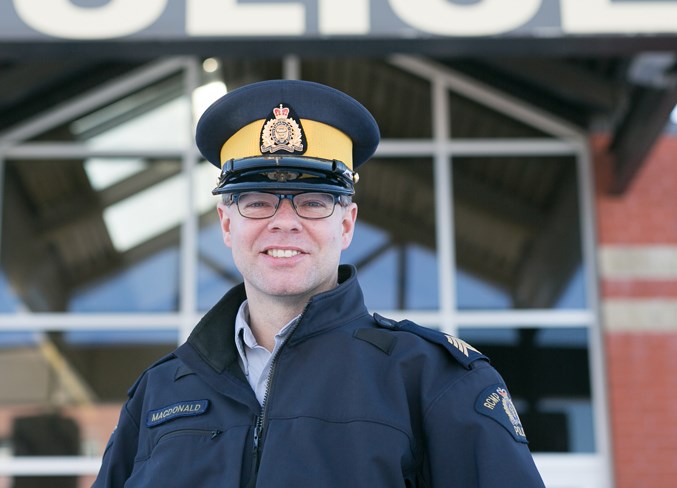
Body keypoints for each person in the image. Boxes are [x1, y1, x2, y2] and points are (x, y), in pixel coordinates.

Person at [93, 80, 546, 487]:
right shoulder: (161, 393)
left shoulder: (433, 381)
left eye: (312, 202)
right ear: (226, 225)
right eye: (257, 202)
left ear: (347, 224)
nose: (284, 223)